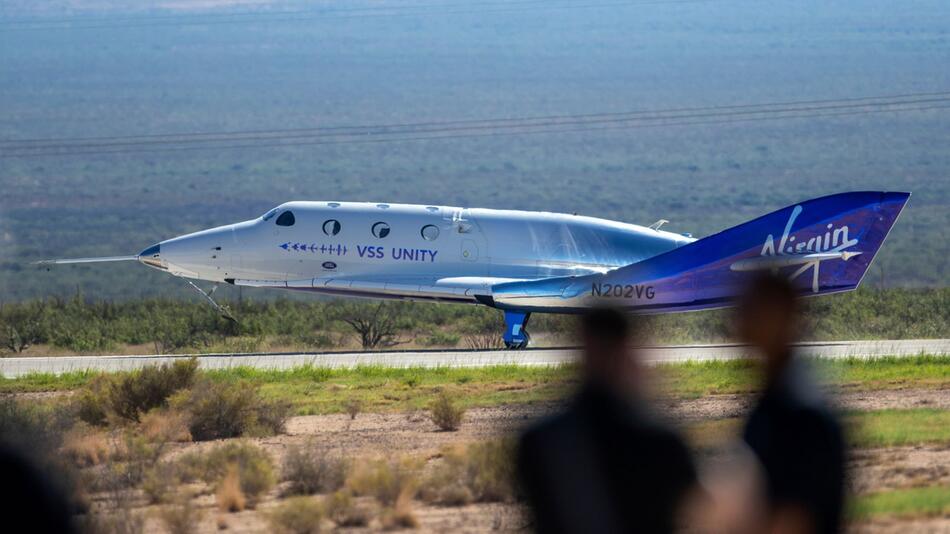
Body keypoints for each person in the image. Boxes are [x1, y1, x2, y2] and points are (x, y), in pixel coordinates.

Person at [517, 308, 699, 534]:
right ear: (628, 348)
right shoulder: (663, 441)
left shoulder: (538, 441)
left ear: (584, 344)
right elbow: (696, 510)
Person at [737, 273, 846, 534]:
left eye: (751, 310)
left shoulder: (798, 411)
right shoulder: (776, 398)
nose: (739, 322)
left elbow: (796, 516)